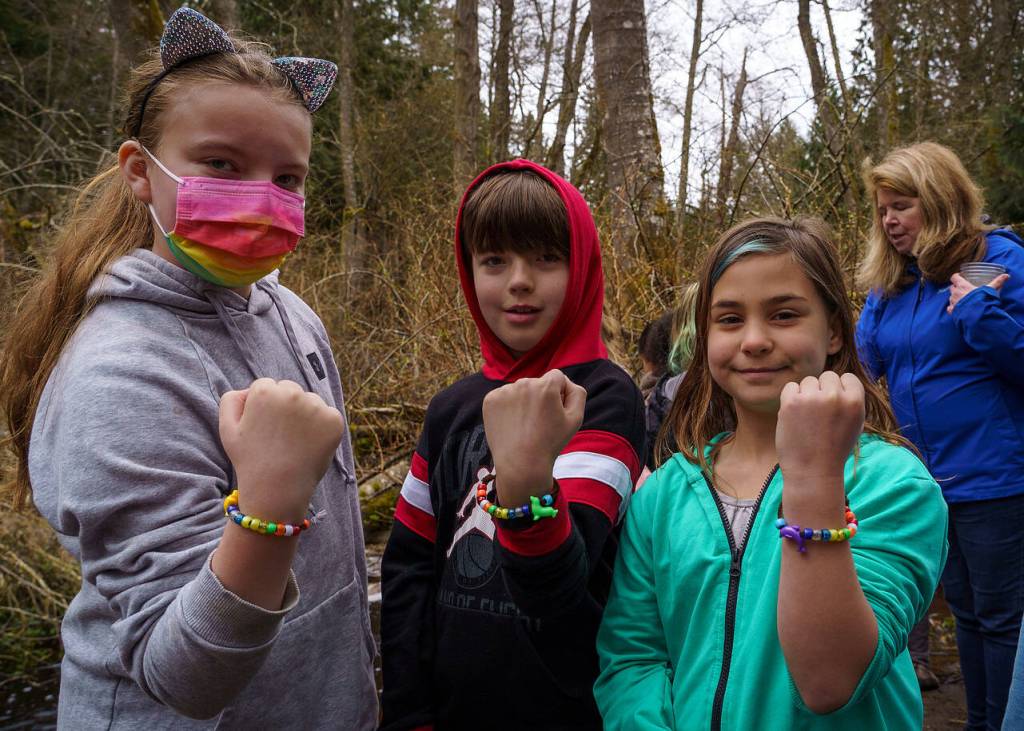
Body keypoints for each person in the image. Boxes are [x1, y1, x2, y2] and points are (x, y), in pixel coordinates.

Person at [0, 9, 377, 728]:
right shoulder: (115, 375)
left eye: (288, 176)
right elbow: (183, 675)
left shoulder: (292, 314)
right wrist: (268, 509)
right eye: (222, 165)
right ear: (141, 172)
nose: (262, 195)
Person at [595, 217, 947, 729]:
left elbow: (830, 681)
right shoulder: (665, 494)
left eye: (783, 314)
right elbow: (633, 659)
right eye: (730, 319)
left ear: (831, 330)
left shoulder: (893, 484)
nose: (754, 340)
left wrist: (813, 478)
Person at [379, 160, 645, 730]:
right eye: (495, 260)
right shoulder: (451, 409)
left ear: (583, 268)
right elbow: (407, 570)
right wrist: (407, 710)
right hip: (451, 709)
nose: (519, 281)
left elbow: (562, 576)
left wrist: (525, 477)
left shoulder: (601, 398)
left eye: (547, 258)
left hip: (568, 709)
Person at [856, 142, 1024, 731]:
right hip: (928, 482)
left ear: (939, 201)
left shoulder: (990, 258)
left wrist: (980, 313)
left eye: (901, 206)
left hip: (998, 476)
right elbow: (864, 367)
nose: (889, 221)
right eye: (882, 210)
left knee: (1003, 618)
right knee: (971, 615)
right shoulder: (893, 283)